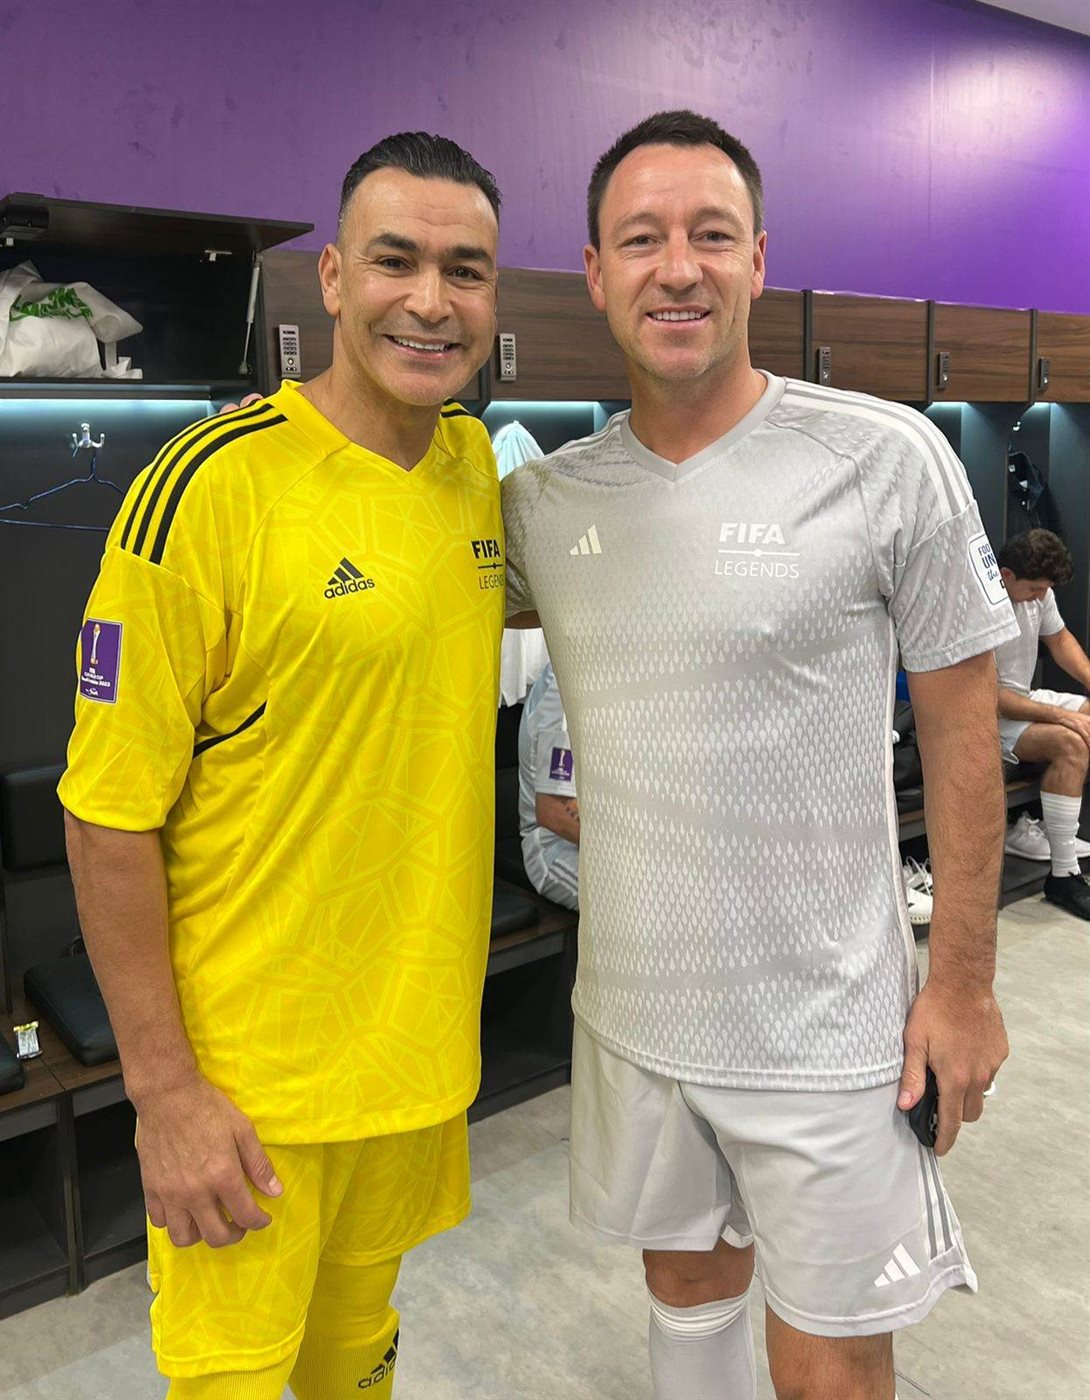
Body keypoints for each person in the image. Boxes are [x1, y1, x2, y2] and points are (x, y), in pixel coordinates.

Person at [502, 110, 1017, 1400]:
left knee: (831, 1367)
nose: (677, 267)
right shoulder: (545, 501)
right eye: (641, 239)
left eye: (711, 235)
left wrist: (962, 982)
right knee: (684, 1299)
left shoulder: (884, 457)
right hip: (635, 1012)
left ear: (758, 260)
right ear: (595, 272)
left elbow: (963, 729)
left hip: (831, 1028)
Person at [58, 132, 504, 1399]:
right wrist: (165, 1093)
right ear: (332, 278)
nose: (430, 300)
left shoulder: (474, 469)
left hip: (411, 1067)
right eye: (395, 260)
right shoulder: (207, 489)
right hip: (250, 1096)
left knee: (355, 1364)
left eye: (465, 270)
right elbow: (105, 815)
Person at [995, 529, 1090, 919]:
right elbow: (988, 697)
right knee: (1071, 742)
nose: (1040, 597)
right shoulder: (980, 607)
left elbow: (1060, 639)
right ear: (1006, 575)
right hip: (989, 718)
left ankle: (1047, 828)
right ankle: (1064, 876)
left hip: (1025, 698)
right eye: (1034, 588)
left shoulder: (1038, 594)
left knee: (1080, 724)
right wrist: (1062, 716)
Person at [518, 662, 580, 909]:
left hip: (620, 839)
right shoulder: (568, 681)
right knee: (657, 905)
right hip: (557, 848)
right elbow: (554, 813)